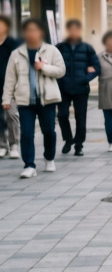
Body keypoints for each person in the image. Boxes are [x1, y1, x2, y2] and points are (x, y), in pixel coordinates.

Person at [2, 18, 65, 178]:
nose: (31, 33)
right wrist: (6, 99)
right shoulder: (16, 54)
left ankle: (49, 158)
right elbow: (10, 78)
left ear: (41, 32)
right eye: (28, 30)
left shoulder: (51, 51)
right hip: (25, 101)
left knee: (48, 131)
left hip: (47, 100)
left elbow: (61, 70)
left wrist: (44, 67)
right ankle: (29, 165)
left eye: (35, 30)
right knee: (27, 134)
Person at [56, 18, 101, 156]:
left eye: (76, 29)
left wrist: (85, 78)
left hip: (81, 89)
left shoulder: (87, 48)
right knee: (62, 115)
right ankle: (68, 139)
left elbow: (97, 67)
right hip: (63, 88)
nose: (74, 32)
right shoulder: (60, 47)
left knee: (81, 119)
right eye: (71, 29)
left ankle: (79, 145)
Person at [0, 16, 20, 158]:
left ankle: (14, 144)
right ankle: (2, 144)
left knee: (11, 115)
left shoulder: (13, 44)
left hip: (10, 86)